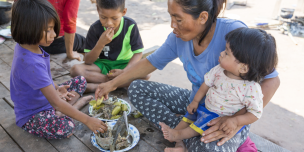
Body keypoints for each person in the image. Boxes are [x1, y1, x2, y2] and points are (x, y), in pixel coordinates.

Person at [94, 0, 280, 151]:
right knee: (136, 88)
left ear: (202, 17)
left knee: (210, 147)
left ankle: (185, 136)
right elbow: (149, 63)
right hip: (195, 104)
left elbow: (272, 79)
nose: (172, 25)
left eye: (178, 19)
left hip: (226, 117)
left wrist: (235, 121)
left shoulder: (233, 33)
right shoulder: (177, 38)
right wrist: (113, 84)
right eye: (171, 17)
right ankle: (184, 133)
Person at [159, 27, 278, 143]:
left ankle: (177, 135)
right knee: (189, 116)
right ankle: (180, 142)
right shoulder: (218, 70)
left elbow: (255, 113)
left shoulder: (251, 89)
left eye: (226, 53)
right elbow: (206, 85)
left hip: (220, 120)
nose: (221, 53)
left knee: (201, 126)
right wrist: (195, 101)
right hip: (205, 108)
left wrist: (236, 121)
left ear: (243, 67)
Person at [10, 0, 107, 139]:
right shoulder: (30, 63)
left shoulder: (30, 46)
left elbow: (43, 78)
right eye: (48, 29)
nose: (54, 34)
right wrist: (87, 120)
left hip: (47, 100)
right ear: (29, 27)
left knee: (80, 81)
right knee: (66, 127)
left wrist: (56, 88)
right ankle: (72, 107)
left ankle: (63, 110)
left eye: (53, 28)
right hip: (32, 114)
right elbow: (54, 100)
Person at [70, 0, 150, 93]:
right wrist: (101, 44)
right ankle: (116, 83)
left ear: (123, 12)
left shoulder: (130, 25)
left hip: (124, 64)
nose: (109, 23)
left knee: (146, 74)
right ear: (97, 10)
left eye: (114, 18)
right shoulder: (95, 28)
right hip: (103, 64)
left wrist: (124, 71)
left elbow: (138, 52)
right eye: (103, 17)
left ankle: (95, 86)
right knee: (75, 70)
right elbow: (88, 61)